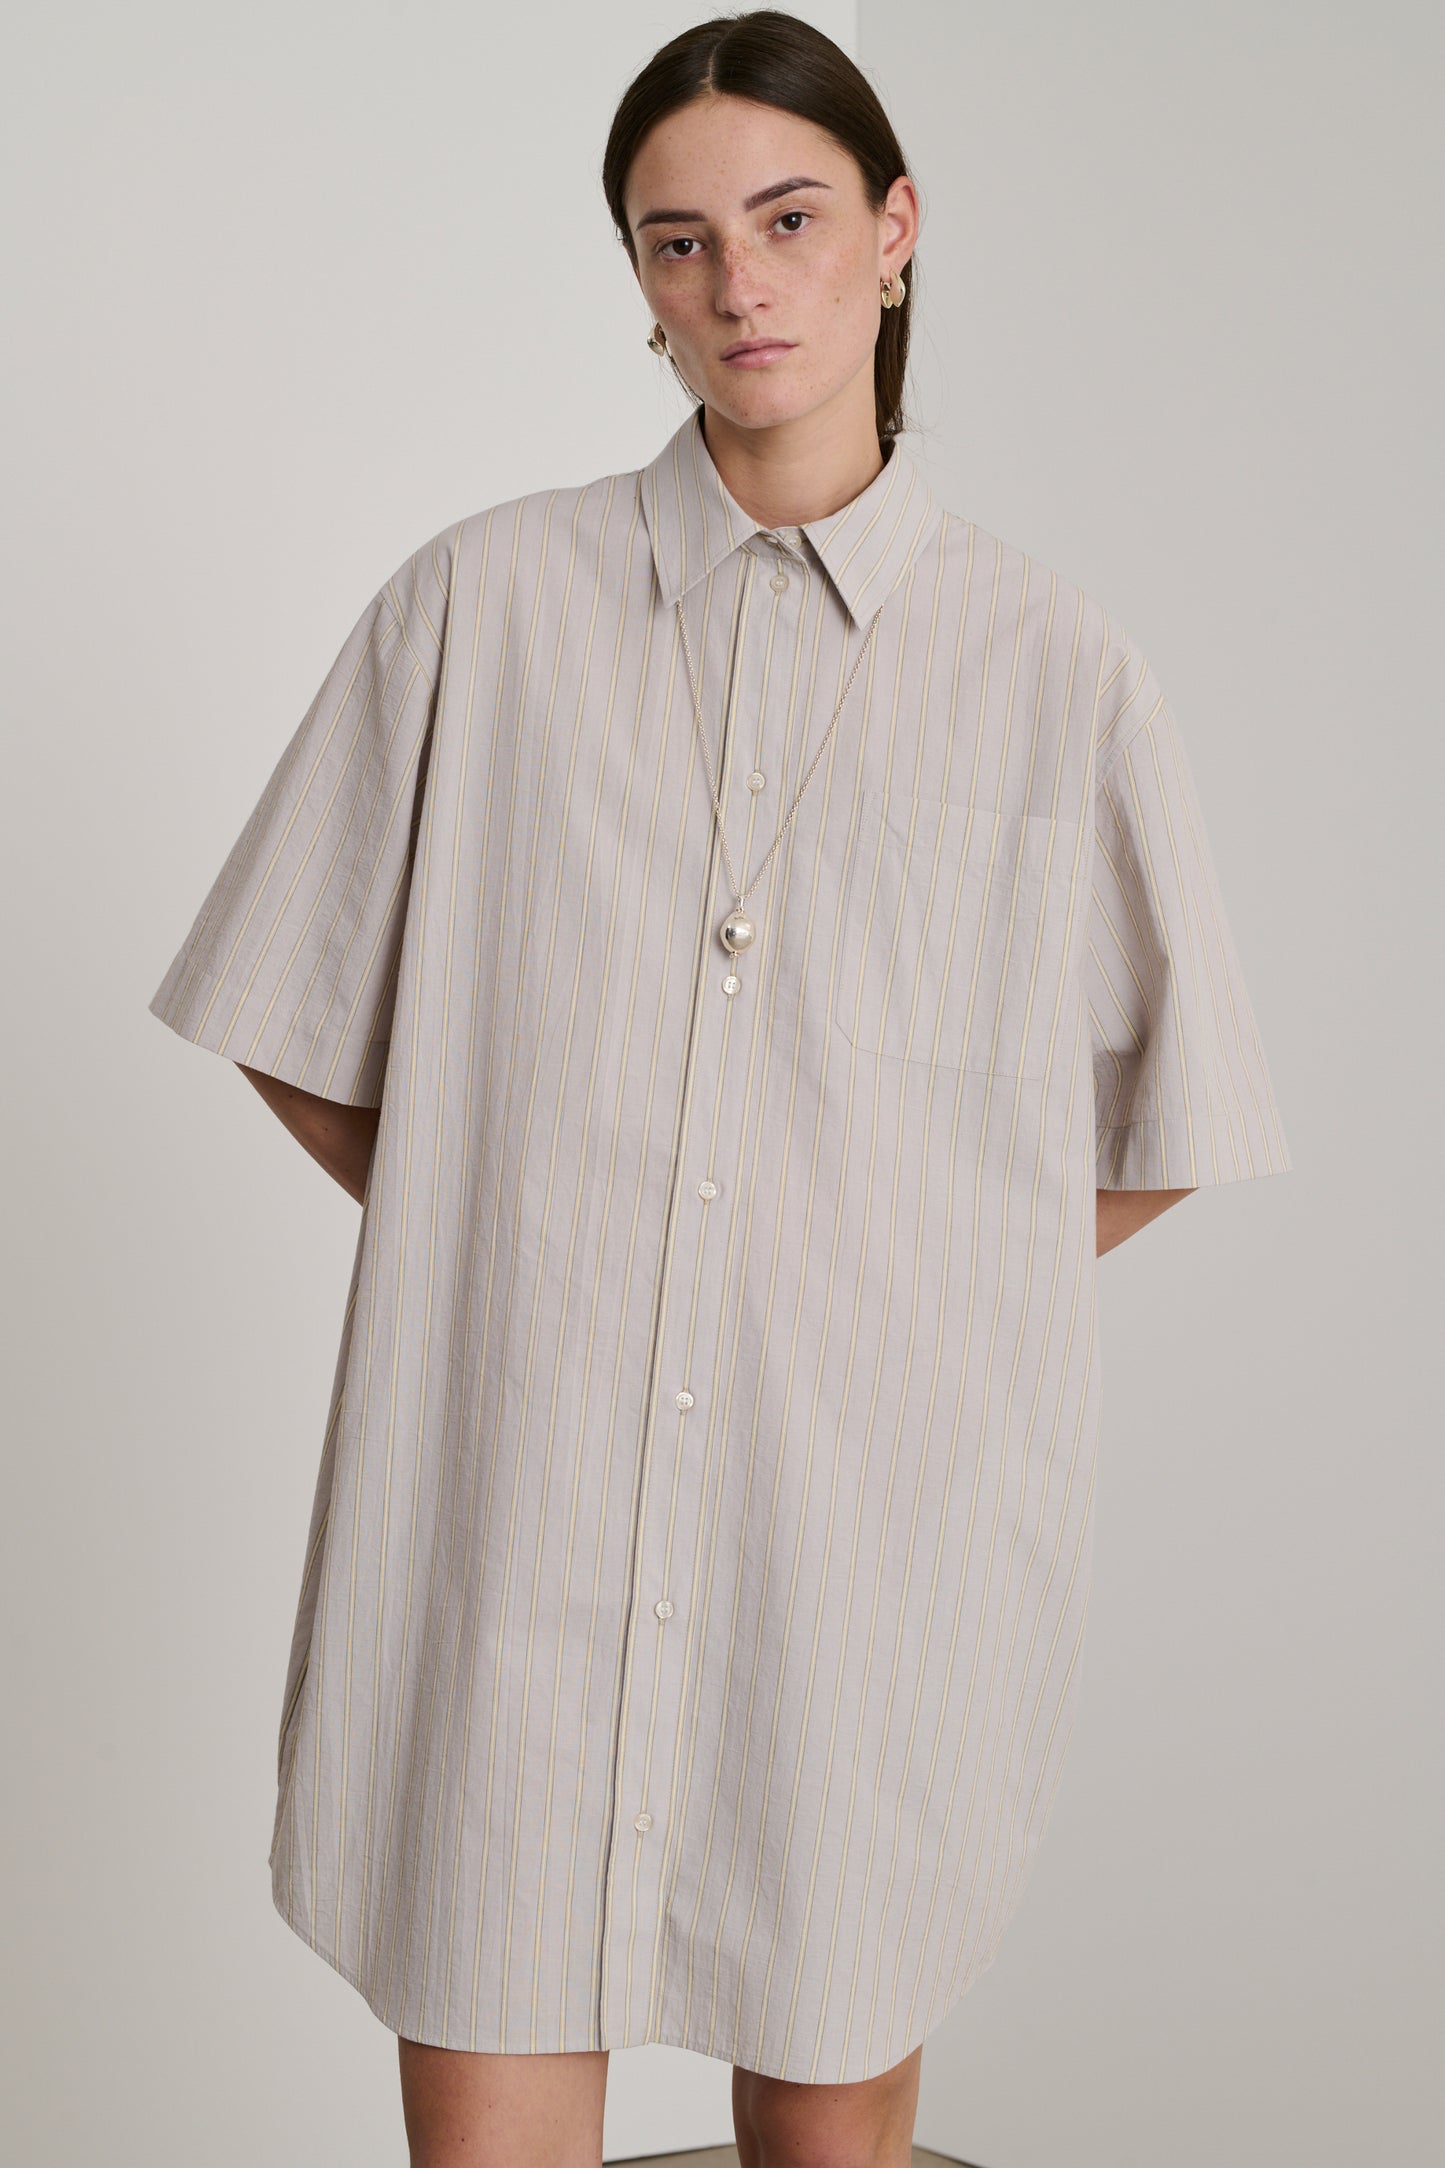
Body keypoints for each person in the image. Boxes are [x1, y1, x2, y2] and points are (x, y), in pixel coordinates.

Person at [146, 11, 1292, 2166]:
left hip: (855, 1548)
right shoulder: (481, 607)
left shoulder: (1053, 672)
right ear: (639, 283)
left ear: (896, 232)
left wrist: (904, 1281)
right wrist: (518, 1222)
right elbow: (285, 1006)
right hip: (508, 1518)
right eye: (679, 243)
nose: (739, 284)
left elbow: (1173, 1110)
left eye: (787, 220)